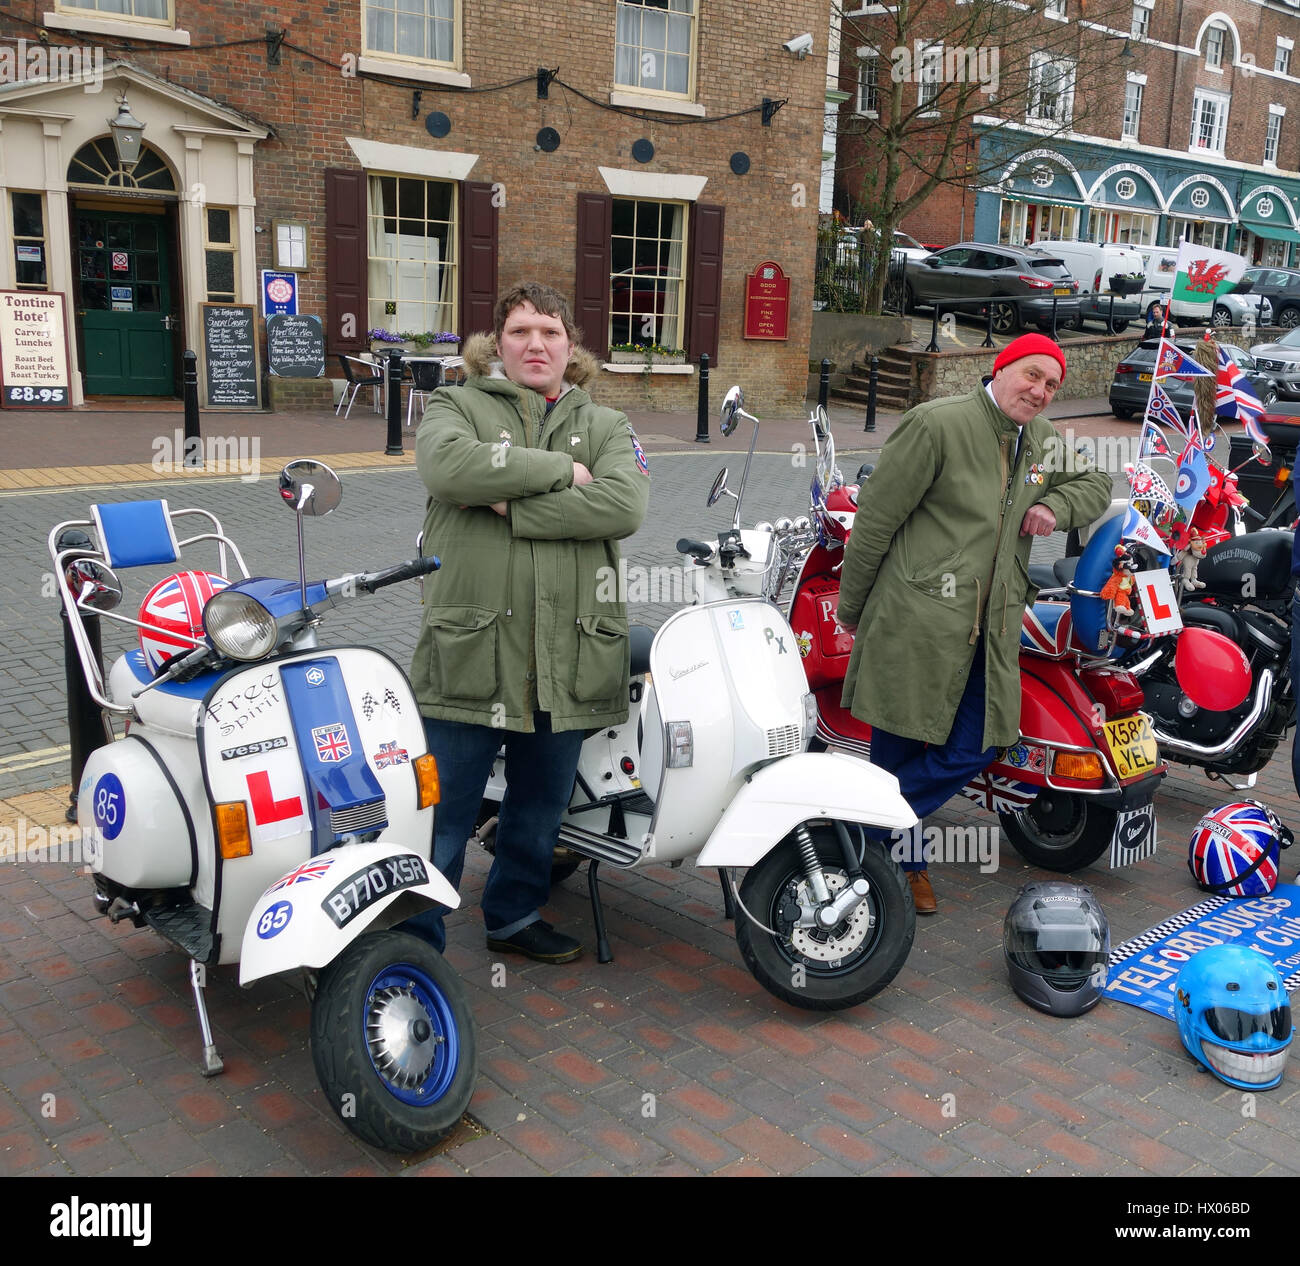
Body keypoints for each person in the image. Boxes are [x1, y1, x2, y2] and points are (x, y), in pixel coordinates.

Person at [404, 282, 650, 962]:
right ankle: (415, 940)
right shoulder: (457, 403)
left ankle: (512, 915)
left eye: (549, 332)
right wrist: (563, 472)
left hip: (567, 653)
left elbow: (624, 507)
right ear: (497, 344)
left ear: (570, 348)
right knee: (444, 812)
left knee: (540, 808)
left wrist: (513, 504)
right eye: (520, 332)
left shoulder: (605, 424)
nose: (535, 344)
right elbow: (448, 468)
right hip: (473, 650)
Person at [836, 333, 1112, 914]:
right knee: (899, 743)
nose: (1039, 391)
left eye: (1052, 385)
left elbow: (1097, 485)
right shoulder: (937, 425)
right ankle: (903, 866)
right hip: (917, 620)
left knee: (982, 741)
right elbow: (875, 523)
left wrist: (1053, 507)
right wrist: (853, 611)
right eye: (1031, 376)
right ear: (1002, 367)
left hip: (992, 628)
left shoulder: (1041, 441)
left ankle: (857, 824)